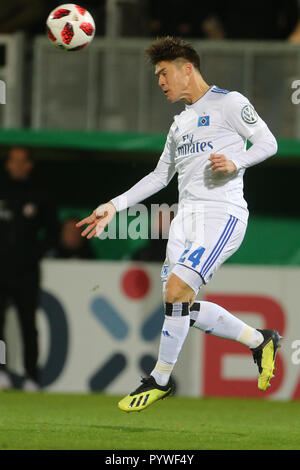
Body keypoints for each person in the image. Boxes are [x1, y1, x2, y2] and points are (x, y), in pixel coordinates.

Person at [77, 37, 281, 412]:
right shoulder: (179, 123)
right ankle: (259, 340)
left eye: (164, 73)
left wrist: (236, 161)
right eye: (157, 76)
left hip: (221, 213)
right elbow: (159, 177)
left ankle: (160, 378)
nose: (160, 82)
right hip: (184, 218)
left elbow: (268, 142)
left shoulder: (229, 102)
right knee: (179, 304)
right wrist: (114, 205)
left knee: (175, 291)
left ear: (188, 68)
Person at [0, 147, 58, 391]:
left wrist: (34, 252)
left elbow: (52, 232)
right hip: (0, 269)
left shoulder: (40, 193)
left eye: (22, 161)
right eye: (13, 161)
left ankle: (32, 376)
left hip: (27, 271)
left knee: (28, 324)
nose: (17, 165)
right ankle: (1, 372)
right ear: (7, 164)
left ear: (29, 165)